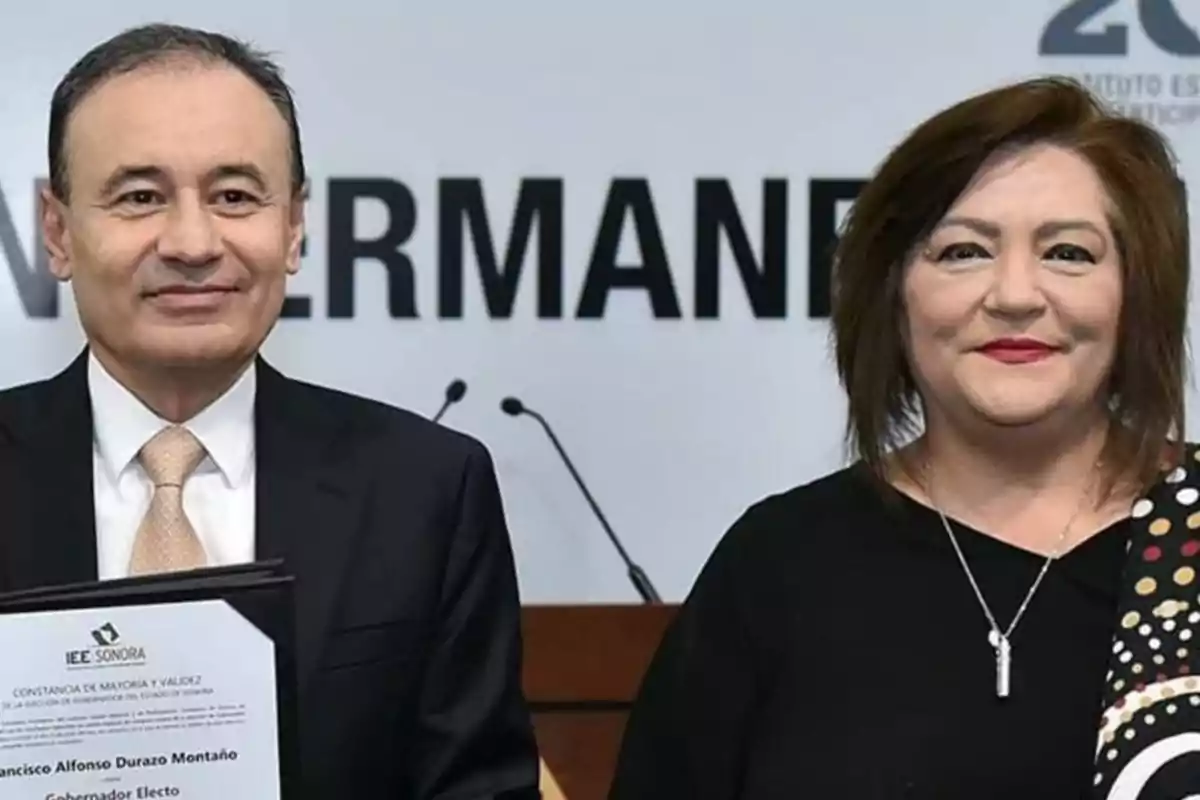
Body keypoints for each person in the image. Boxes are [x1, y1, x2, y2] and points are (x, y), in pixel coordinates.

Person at [609, 77, 1199, 799]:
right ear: (892, 292)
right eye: (963, 252)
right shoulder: (780, 563)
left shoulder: (1189, 532)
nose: (1015, 294)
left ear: (1137, 294)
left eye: (1068, 253)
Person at [0, 24, 539, 798]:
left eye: (234, 196)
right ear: (58, 232)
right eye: (141, 196)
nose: (192, 241)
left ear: (292, 226)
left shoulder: (424, 490)